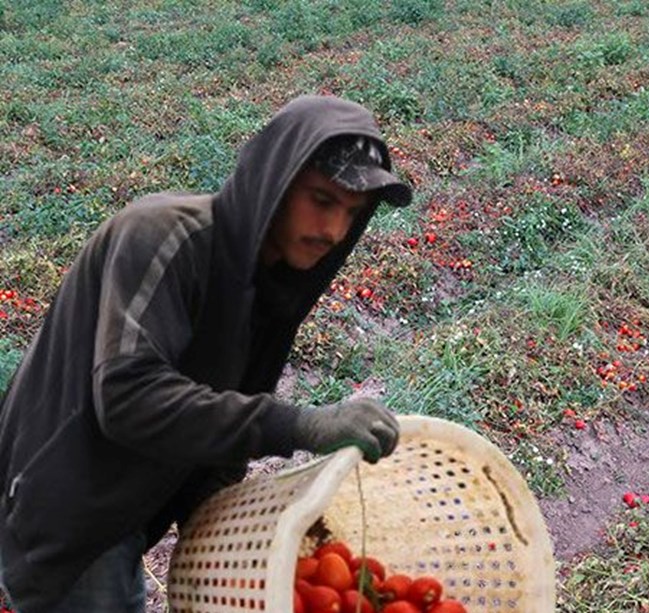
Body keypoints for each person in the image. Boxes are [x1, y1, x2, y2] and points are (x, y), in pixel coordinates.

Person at [0, 95, 412, 613]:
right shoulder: (163, 238)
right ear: (275, 184)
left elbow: (228, 396)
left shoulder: (272, 280)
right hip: (69, 496)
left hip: (130, 492)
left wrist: (210, 516)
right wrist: (298, 424)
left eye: (351, 213)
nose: (333, 230)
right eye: (321, 200)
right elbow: (129, 396)